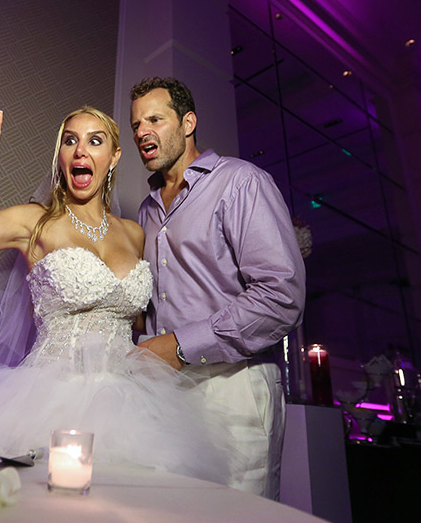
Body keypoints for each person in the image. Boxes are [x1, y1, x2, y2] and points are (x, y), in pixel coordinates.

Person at [0, 106, 233, 484]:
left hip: (131, 400)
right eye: (71, 141)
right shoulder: (35, 221)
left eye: (95, 141)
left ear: (113, 157)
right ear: (62, 157)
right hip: (48, 397)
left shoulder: (135, 233)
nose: (81, 150)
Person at [129, 76, 306, 499]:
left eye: (155, 119)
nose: (141, 132)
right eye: (136, 125)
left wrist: (178, 345)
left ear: (188, 122)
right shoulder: (145, 209)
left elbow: (281, 297)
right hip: (166, 393)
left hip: (235, 389)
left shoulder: (241, 182)